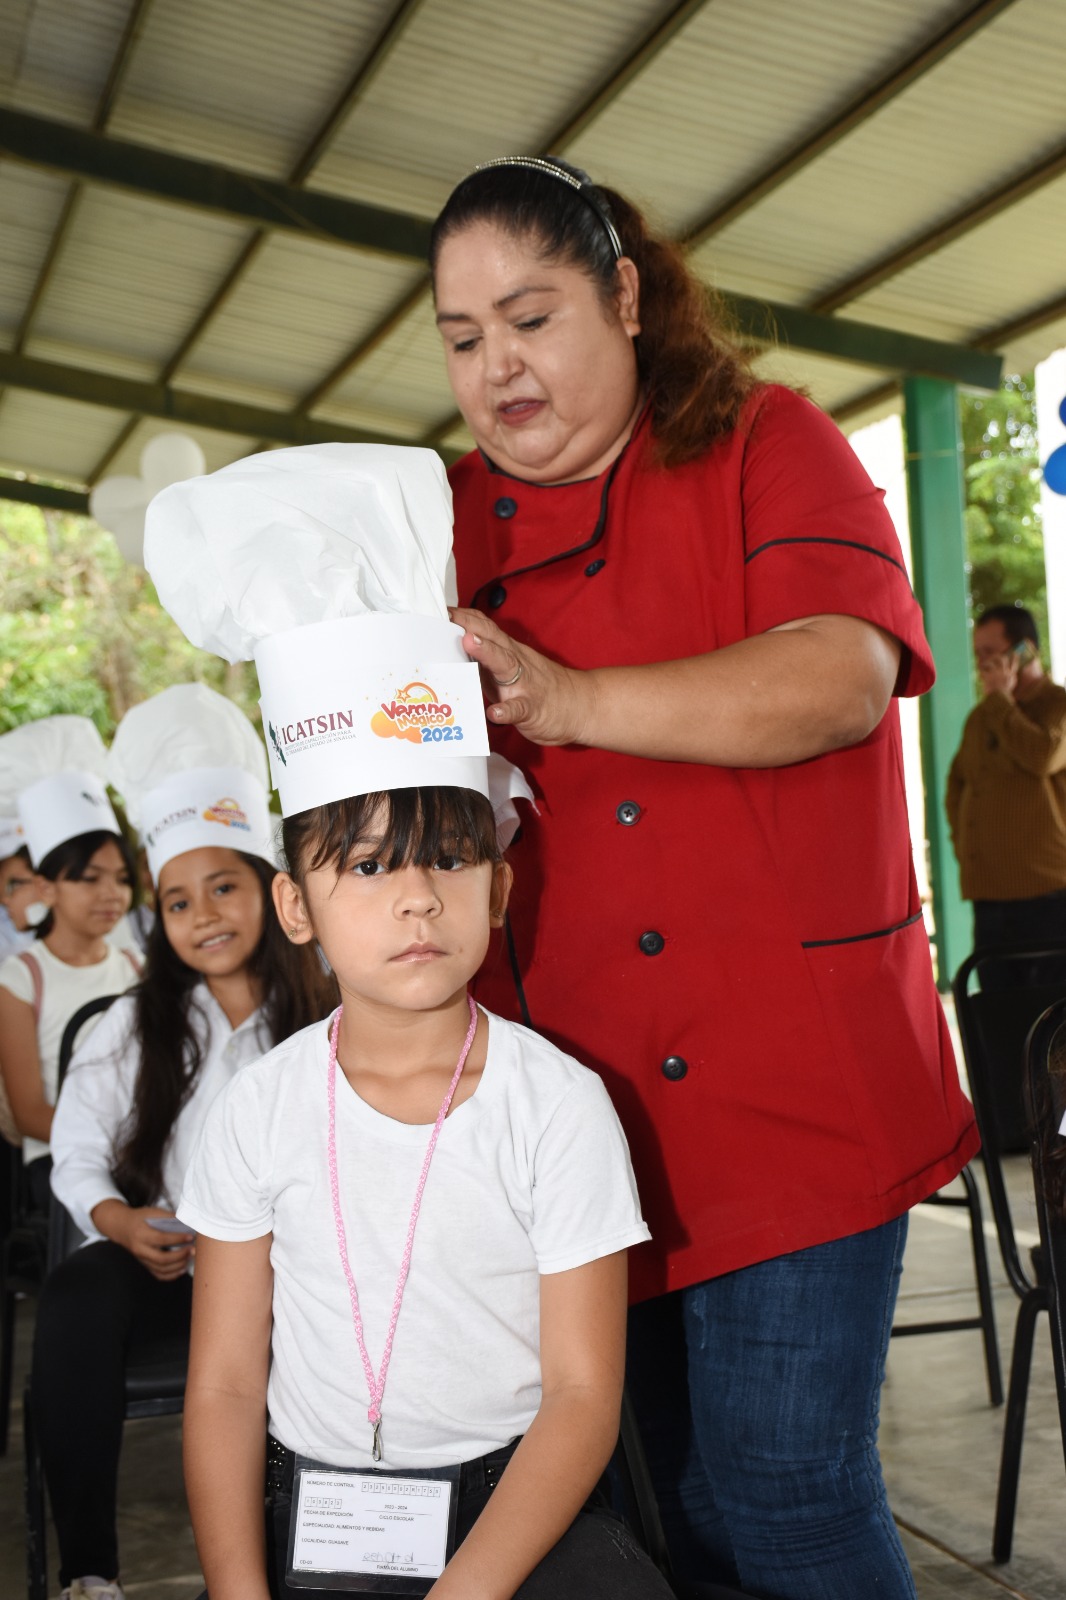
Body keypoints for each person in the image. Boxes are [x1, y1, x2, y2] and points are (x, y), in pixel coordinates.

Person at [429, 156, 980, 1600]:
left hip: (791, 1080)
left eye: (531, 318)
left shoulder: (759, 442)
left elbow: (838, 679)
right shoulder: (434, 520)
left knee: (786, 1488)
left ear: (622, 296)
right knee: (673, 1508)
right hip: (574, 1117)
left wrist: (564, 701)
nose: (499, 369)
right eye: (463, 338)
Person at [143, 447, 696, 1600]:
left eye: (451, 858)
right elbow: (228, 1386)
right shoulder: (259, 1111)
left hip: (518, 1512)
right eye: (365, 866)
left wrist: (465, 1592)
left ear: (500, 888)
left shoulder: (556, 1104)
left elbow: (586, 1396)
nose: (414, 898)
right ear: (295, 907)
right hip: (320, 1512)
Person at [38, 685, 339, 1600]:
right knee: (80, 1292)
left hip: (300, 1272)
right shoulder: (132, 1023)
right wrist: (120, 1223)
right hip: (169, 1267)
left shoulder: (332, 1002)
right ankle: (90, 1571)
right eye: (177, 900)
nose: (204, 915)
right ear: (159, 920)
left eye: (224, 887)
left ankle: (299, 1555)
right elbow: (76, 1147)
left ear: (272, 890)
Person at [0, 717, 142, 1208]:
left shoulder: (136, 967)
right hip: (57, 1160)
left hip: (142, 1152)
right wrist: (119, 1146)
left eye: (121, 878)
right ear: (46, 888)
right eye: (89, 878)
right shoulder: (19, 979)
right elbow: (28, 1112)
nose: (111, 894)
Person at [946, 604, 1066, 963]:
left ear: (1024, 649)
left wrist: (1000, 698)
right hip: (989, 897)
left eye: (989, 652)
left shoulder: (1057, 704)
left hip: (1048, 896)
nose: (981, 662)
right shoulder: (982, 717)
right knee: (996, 1013)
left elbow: (1042, 756)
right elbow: (959, 785)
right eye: (977, 652)